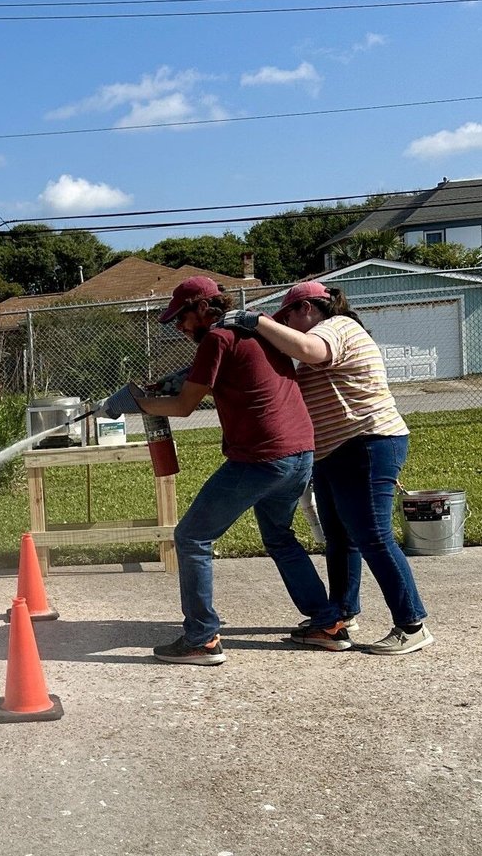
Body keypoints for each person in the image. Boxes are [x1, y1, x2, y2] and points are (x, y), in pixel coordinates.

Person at [105, 276, 347, 665]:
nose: (180, 327)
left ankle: (201, 638)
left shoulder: (216, 338)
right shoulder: (255, 330)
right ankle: (328, 624)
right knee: (279, 538)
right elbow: (221, 370)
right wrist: (176, 379)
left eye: (182, 318)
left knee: (191, 536)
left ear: (203, 307)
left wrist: (135, 403)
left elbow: (183, 407)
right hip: (300, 452)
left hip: (261, 457)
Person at [222, 282, 432, 656]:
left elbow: (308, 349)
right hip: (337, 450)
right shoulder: (320, 337)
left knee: (373, 536)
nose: (285, 324)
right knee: (341, 538)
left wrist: (257, 322)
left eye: (287, 316)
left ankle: (412, 625)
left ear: (307, 307)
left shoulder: (338, 326)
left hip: (367, 442)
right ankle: (342, 614)